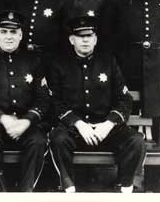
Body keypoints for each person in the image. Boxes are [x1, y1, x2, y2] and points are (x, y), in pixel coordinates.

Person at [48, 16, 146, 193]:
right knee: (58, 138)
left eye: (89, 36)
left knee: (136, 140)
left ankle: (125, 189)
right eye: (79, 36)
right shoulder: (59, 64)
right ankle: (68, 190)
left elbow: (124, 99)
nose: (85, 40)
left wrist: (108, 124)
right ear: (72, 40)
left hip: (105, 130)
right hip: (75, 131)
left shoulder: (108, 61)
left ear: (95, 39)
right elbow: (55, 102)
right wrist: (78, 124)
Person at [0, 10, 50, 192]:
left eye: (13, 32)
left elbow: (43, 98)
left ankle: (25, 192)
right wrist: (3, 118)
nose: (9, 37)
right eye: (4, 32)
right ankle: (2, 192)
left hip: (26, 122)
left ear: (21, 35)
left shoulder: (35, 60)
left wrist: (27, 120)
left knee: (38, 142)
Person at [100, 0, 160, 146]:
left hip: (159, 69)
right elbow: (106, 37)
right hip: (127, 67)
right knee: (126, 116)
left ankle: (156, 173)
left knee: (159, 119)